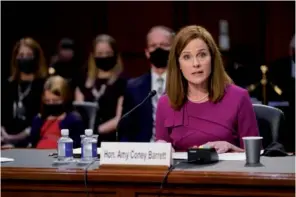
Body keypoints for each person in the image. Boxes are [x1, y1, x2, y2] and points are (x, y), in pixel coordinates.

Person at [155, 25, 259, 153]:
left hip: (226, 171)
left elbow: (256, 155)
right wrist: (160, 149)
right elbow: (162, 160)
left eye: (202, 55)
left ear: (212, 58)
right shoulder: (166, 103)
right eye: (187, 57)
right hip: (182, 172)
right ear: (178, 64)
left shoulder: (239, 97)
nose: (196, 64)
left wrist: (232, 149)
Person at [120, 26, 174, 142]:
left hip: (176, 150)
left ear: (174, 50)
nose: (158, 49)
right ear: (147, 52)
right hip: (142, 153)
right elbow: (126, 129)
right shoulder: (133, 87)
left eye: (164, 45)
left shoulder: (186, 83)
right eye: (153, 46)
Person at [76, 34, 126, 144]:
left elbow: (119, 118)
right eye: (100, 54)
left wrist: (95, 132)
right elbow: (79, 111)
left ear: (115, 55)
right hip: (84, 139)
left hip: (111, 140)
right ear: (93, 55)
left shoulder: (123, 82)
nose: (104, 57)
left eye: (108, 53)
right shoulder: (83, 80)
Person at [1, 37, 48, 148]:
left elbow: (43, 119)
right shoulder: (8, 85)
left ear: (36, 58)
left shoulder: (44, 85)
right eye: (21, 55)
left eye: (28, 55)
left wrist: (17, 138)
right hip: (5, 141)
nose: (24, 58)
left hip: (32, 142)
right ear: (15, 58)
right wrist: (4, 134)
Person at [29, 76, 84, 149]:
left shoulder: (74, 120)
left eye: (55, 101)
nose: (51, 104)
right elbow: (33, 143)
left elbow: (77, 147)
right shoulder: (38, 119)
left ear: (65, 98)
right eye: (47, 101)